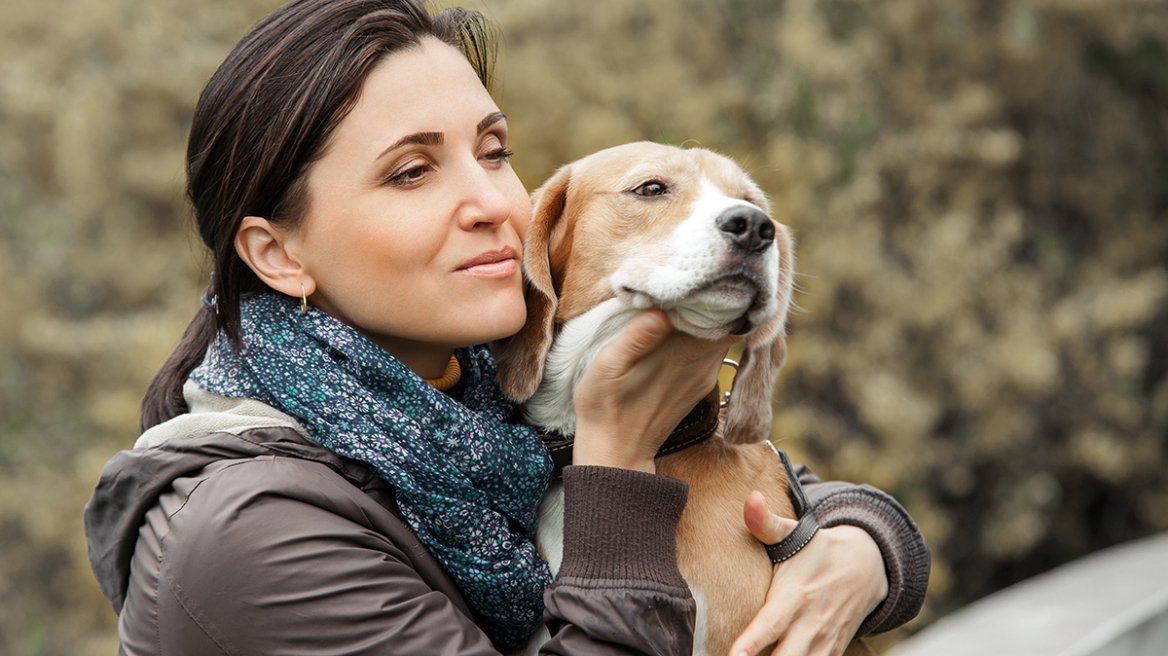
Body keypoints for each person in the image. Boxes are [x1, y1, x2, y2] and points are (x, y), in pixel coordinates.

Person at [83, 1, 930, 654]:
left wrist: (864, 548)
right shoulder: (248, 532)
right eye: (411, 172)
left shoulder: (478, 396)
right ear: (278, 255)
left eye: (492, 152)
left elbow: (768, 488)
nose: (493, 203)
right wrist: (617, 463)